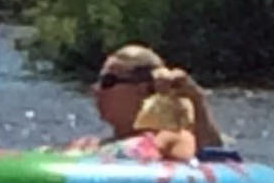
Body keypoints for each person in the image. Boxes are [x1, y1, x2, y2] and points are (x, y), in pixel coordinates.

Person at [66, 44, 225, 153]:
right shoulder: (87, 146)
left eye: (108, 82)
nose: (96, 90)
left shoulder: (171, 143)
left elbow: (213, 159)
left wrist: (195, 100)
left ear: (143, 90)